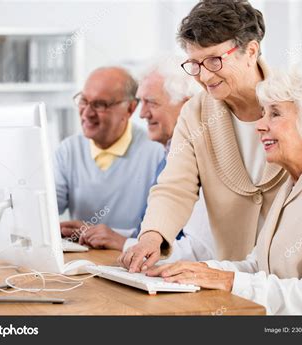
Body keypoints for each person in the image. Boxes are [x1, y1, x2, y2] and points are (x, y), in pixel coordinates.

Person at [119, 0, 302, 276]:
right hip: (234, 279)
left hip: (296, 282)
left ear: (251, 51)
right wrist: (152, 235)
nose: (204, 76)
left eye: (214, 61)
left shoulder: (300, 98)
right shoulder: (195, 114)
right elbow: (174, 186)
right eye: (195, 64)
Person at [146, 69, 302, 315]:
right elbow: (258, 266)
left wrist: (226, 281)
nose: (259, 125)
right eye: (263, 113)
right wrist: (199, 270)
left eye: (275, 114)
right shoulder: (293, 185)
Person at [77, 59, 216, 262]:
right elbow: (159, 234)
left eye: (151, 102)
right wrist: (108, 235)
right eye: (141, 102)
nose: (141, 114)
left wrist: (123, 243)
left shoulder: (202, 159)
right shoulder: (168, 153)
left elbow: (197, 251)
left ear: (187, 105)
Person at [54, 66, 164, 246]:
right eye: (83, 100)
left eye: (99, 104)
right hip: (81, 264)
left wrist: (118, 238)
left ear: (130, 108)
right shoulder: (68, 150)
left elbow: (166, 232)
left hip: (132, 262)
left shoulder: (157, 152)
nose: (87, 113)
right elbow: (47, 208)